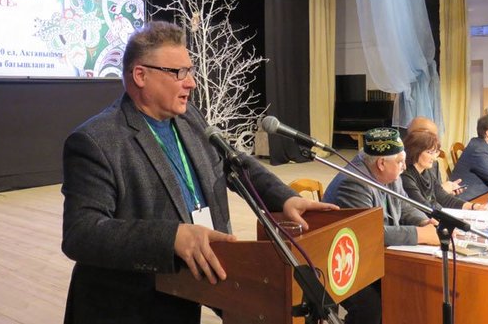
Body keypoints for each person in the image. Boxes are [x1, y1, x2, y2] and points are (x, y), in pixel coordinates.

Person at [60, 21, 339, 324]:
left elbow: (234, 162)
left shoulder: (188, 116)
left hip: (187, 294)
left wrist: (284, 198)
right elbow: (81, 233)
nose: (191, 83)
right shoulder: (96, 140)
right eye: (179, 72)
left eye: (190, 71)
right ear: (140, 75)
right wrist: (171, 238)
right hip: (128, 308)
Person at [323, 127, 438, 324]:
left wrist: (424, 221)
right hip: (341, 261)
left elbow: (403, 204)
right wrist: (421, 234)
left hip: (371, 254)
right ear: (381, 163)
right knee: (373, 305)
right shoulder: (354, 183)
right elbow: (369, 234)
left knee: (406, 285)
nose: (404, 167)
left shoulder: (390, 173)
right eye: (400, 162)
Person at [401, 130, 485, 211]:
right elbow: (424, 206)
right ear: (415, 151)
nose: (434, 158)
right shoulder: (406, 177)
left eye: (435, 152)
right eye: (430, 152)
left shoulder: (427, 172)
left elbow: (444, 198)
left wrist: (473, 206)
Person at [406, 116, 464, 195]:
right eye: (430, 136)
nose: (435, 140)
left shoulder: (433, 163)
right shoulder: (402, 166)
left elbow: (437, 194)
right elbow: (416, 200)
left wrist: (447, 193)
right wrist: (442, 190)